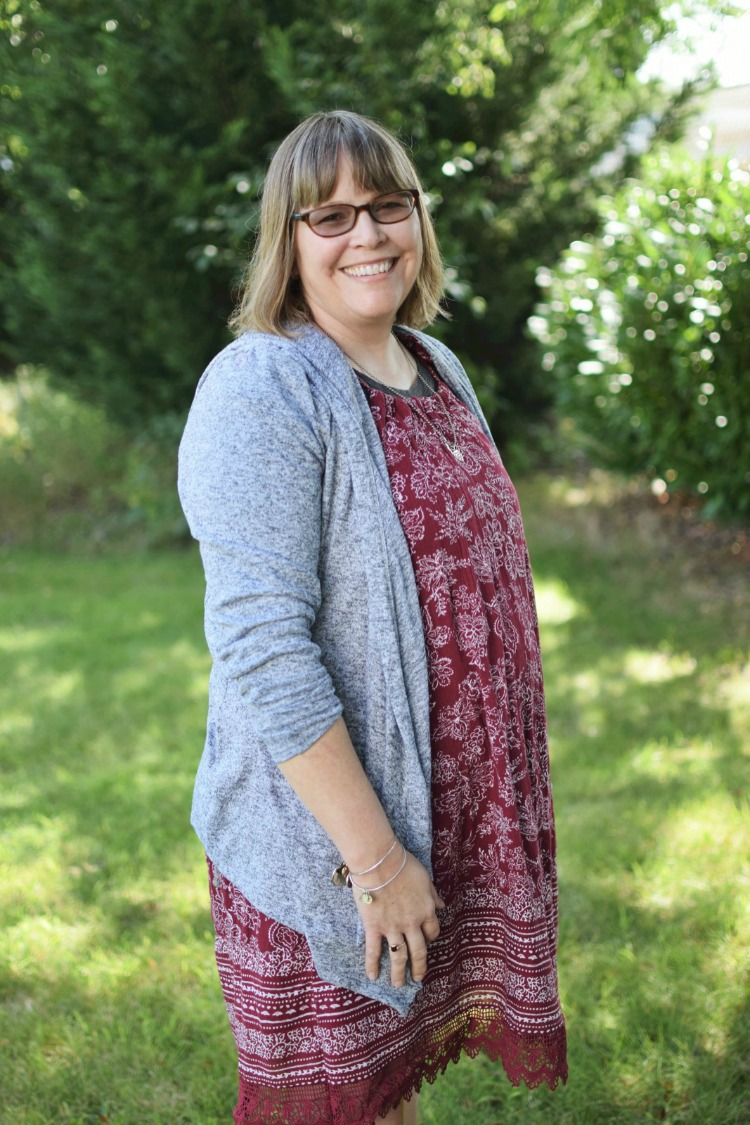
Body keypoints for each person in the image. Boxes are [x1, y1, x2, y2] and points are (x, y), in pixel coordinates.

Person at [178, 109, 567, 1125]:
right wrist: (378, 861)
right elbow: (265, 651)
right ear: (288, 239)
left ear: (418, 219)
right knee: (331, 1105)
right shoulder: (262, 387)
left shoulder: (437, 367)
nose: (368, 235)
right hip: (339, 839)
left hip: (448, 814)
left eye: (388, 205)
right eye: (331, 215)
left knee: (386, 1096)